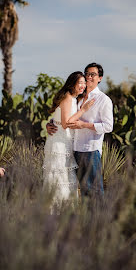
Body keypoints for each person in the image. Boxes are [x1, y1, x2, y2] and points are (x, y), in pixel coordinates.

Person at [47, 63, 113, 198]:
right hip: (74, 150)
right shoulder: (78, 98)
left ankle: (100, 219)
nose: (89, 77)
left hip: (90, 150)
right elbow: (66, 117)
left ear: (100, 78)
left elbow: (108, 126)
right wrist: (51, 124)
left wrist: (84, 125)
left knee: (95, 191)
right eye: (87, 74)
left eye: (93, 75)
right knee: (83, 192)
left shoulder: (103, 100)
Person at [43, 71, 95, 206]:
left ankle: (65, 212)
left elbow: (58, 119)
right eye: (80, 83)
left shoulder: (73, 99)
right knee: (60, 178)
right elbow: (66, 123)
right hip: (59, 144)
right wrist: (83, 110)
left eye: (84, 83)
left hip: (66, 143)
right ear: (72, 83)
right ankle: (57, 211)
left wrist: (51, 123)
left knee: (66, 178)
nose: (83, 86)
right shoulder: (67, 97)